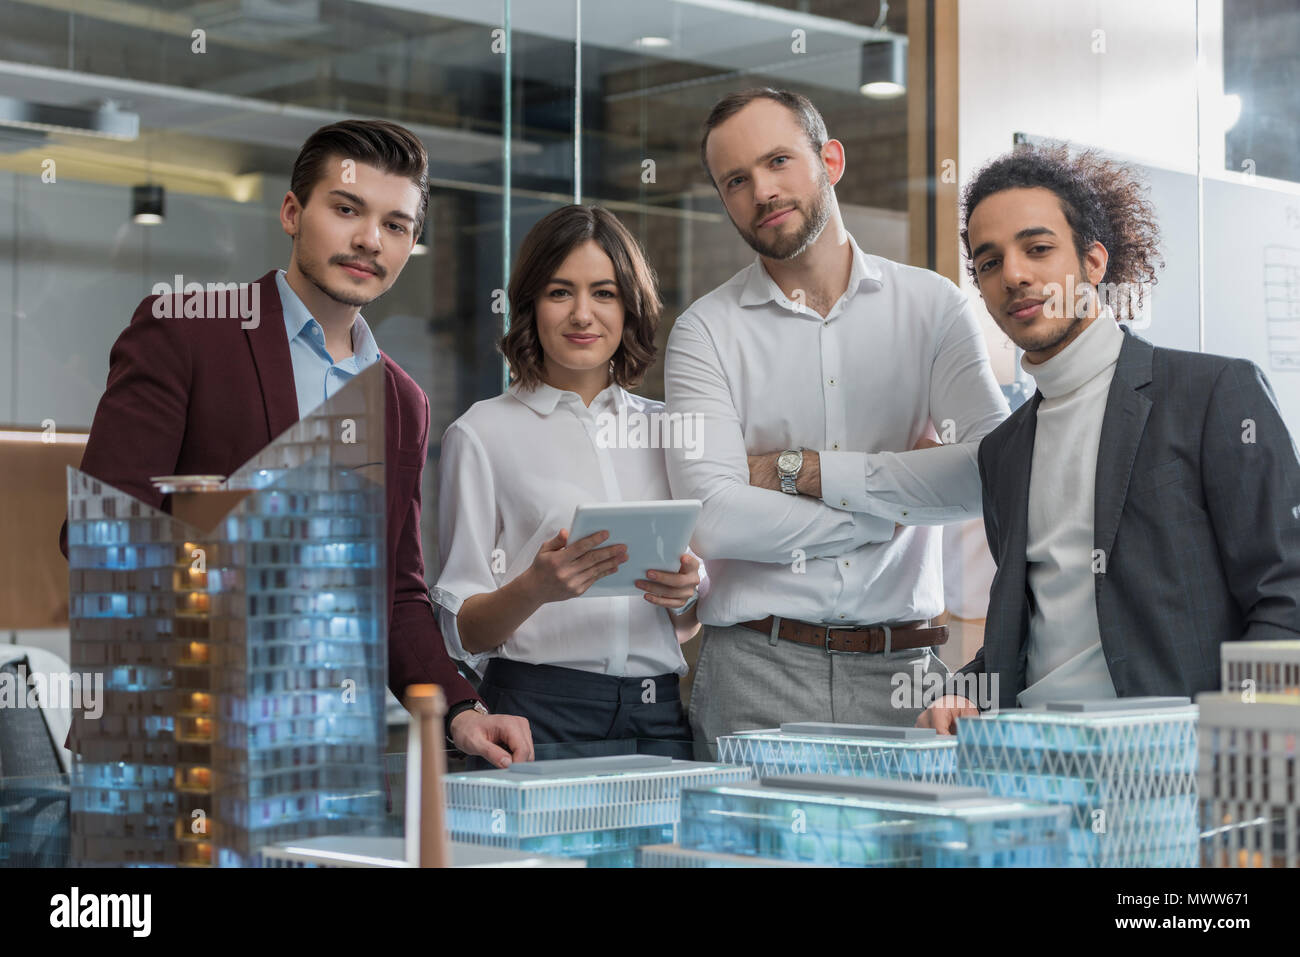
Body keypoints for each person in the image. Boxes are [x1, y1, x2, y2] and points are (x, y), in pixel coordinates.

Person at [61, 119, 532, 768]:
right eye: (346, 209)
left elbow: (395, 592)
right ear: (292, 212)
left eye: (396, 225)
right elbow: (99, 530)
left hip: (318, 748)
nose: (370, 239)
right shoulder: (188, 329)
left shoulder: (401, 401)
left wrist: (460, 708)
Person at [664, 88, 1009, 759]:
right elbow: (712, 518)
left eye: (778, 161)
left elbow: (989, 473)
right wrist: (892, 507)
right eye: (736, 180)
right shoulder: (704, 331)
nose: (762, 190)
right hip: (753, 673)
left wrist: (802, 471)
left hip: (905, 673)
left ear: (831, 159)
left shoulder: (933, 307)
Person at [919, 146, 1300, 733]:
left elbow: (1287, 597)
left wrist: (1234, 755)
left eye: (1038, 248)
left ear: (1094, 262)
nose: (1014, 275)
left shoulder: (1212, 392)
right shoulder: (1005, 450)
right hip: (1033, 768)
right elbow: (1039, 630)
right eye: (989, 263)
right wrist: (964, 693)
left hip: (1173, 769)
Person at [433, 205, 703, 758]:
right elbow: (461, 632)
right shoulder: (481, 433)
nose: (583, 314)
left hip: (657, 713)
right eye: (560, 292)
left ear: (630, 306)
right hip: (535, 710)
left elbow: (688, 623)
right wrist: (535, 588)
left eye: (604, 293)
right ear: (530, 304)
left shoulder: (669, 429)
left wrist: (688, 593)